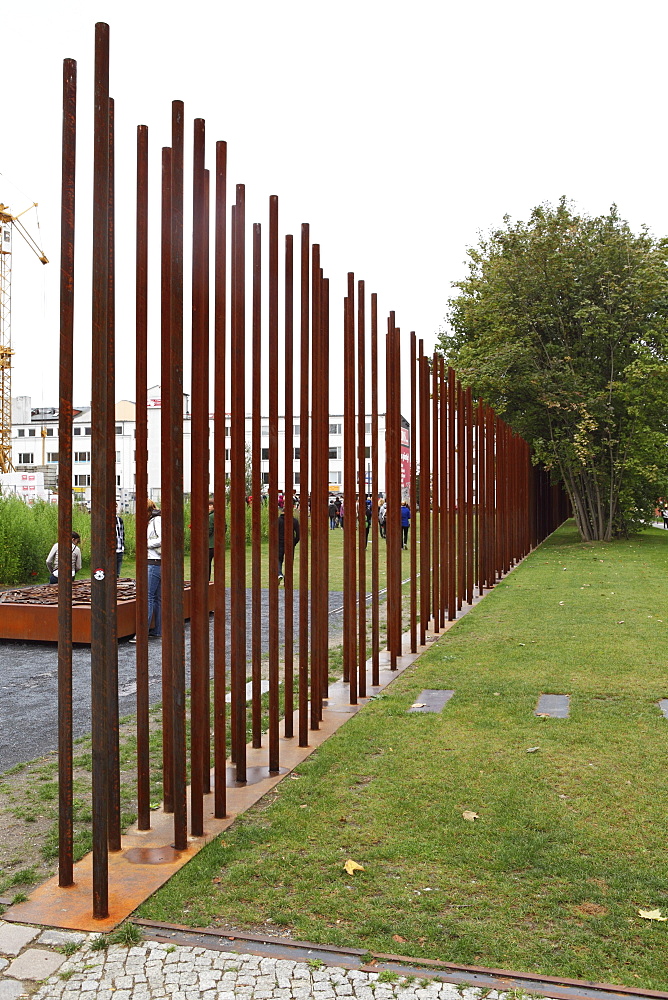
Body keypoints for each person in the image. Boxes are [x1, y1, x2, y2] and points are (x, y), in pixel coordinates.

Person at [130, 499, 162, 643]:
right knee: (157, 598)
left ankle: (142, 633)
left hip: (153, 562)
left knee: (148, 598)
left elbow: (161, 539)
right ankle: (157, 630)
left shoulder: (156, 521)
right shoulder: (156, 520)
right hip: (158, 563)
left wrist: (144, 544)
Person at [278, 510, 300, 581]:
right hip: (290, 543)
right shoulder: (294, 521)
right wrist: (294, 542)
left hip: (280, 543)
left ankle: (279, 573)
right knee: (289, 561)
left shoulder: (278, 520)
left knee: (278, 559)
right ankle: (287, 578)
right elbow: (298, 535)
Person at [115, 513, 125, 577]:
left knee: (117, 574)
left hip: (119, 549)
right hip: (109, 551)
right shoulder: (104, 519)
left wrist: (123, 546)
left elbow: (122, 533)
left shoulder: (119, 520)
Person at [208, 495, 215, 579]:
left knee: (206, 565)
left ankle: (207, 581)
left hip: (209, 545)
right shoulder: (219, 515)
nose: (209, 507)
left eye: (210, 505)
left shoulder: (210, 517)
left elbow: (208, 530)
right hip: (216, 544)